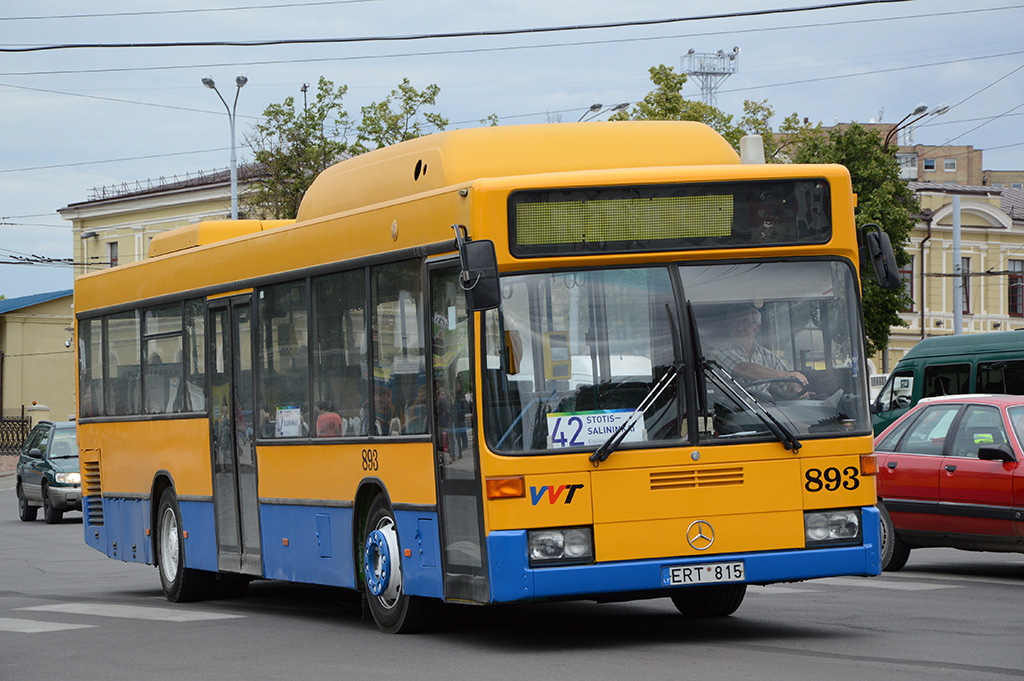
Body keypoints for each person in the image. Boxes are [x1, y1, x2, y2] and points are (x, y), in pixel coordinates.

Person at [711, 305, 809, 398]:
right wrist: (785, 375)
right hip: (733, 410)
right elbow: (744, 369)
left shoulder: (768, 356)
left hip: (764, 412)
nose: (740, 327)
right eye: (735, 323)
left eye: (745, 322)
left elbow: (787, 384)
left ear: (757, 327)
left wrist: (797, 391)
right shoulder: (720, 352)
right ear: (729, 326)